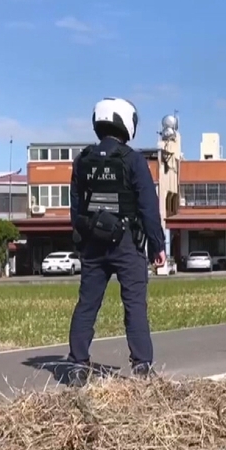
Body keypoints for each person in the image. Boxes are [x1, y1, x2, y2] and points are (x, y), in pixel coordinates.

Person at [66, 97, 166, 387]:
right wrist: (157, 245)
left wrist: (82, 241)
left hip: (92, 244)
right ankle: (142, 366)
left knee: (87, 304)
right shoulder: (133, 160)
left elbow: (76, 208)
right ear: (126, 123)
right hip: (127, 243)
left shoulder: (82, 160)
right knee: (134, 305)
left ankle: (78, 366)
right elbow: (148, 206)